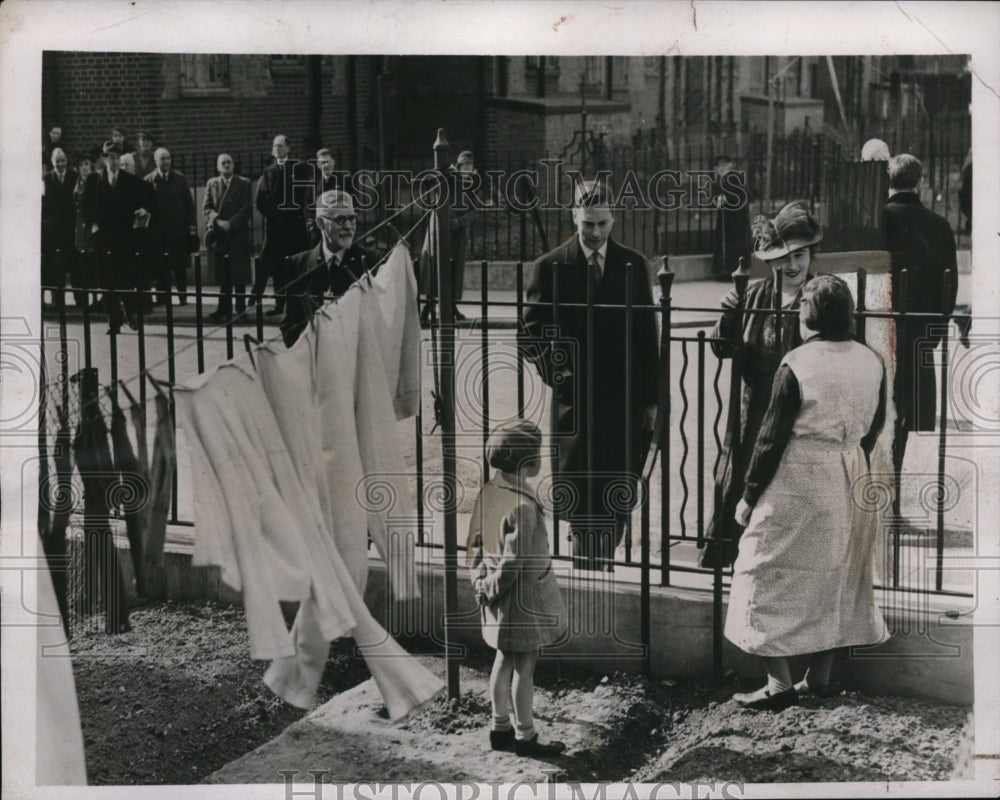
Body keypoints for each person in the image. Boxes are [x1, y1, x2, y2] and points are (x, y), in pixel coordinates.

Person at [725, 274, 890, 710]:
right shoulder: (872, 361)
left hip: (799, 476)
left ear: (808, 317)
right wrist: (850, 454)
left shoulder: (797, 363)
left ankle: (780, 683)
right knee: (840, 573)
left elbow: (770, 437)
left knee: (764, 569)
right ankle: (820, 676)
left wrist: (748, 495)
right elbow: (875, 425)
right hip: (853, 472)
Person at [520, 180, 659, 571]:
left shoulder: (634, 265)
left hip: (624, 403)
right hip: (576, 407)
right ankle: (588, 569)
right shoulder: (550, 267)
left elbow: (649, 338)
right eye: (587, 225)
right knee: (581, 493)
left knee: (617, 491)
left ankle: (600, 563)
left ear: (612, 218)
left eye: (601, 224)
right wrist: (559, 373)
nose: (595, 233)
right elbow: (528, 334)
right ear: (573, 218)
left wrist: (651, 400)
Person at [702, 200, 822, 569]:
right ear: (770, 261)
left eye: (800, 255)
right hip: (753, 412)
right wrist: (728, 314)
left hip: (799, 418)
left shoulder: (821, 296)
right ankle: (731, 566)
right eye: (784, 257)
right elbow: (724, 349)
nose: (793, 265)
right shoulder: (754, 295)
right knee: (739, 486)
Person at [467, 420, 567, 757]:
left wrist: (480, 583)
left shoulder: (488, 493)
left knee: (502, 660)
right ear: (525, 463)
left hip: (495, 598)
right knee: (525, 667)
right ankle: (526, 735)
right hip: (520, 601)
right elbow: (514, 562)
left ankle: (499, 728)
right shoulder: (522, 506)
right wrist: (492, 588)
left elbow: (475, 547)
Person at [883, 154, 958, 486]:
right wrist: (935, 333)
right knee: (907, 417)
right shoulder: (939, 225)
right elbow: (949, 284)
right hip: (920, 335)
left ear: (889, 181)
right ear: (920, 181)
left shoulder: (878, 221)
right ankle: (896, 486)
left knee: (879, 413)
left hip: (881, 330)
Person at [280, 190, 379, 347]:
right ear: (320, 223)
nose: (348, 226)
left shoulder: (374, 262)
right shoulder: (298, 264)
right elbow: (290, 327)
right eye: (340, 219)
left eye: (352, 218)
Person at [82, 141, 153, 334]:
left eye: (116, 157)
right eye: (110, 157)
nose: (113, 161)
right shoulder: (94, 180)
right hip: (102, 237)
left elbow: (148, 195)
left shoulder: (130, 180)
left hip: (124, 237)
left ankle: (132, 314)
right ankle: (113, 321)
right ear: (104, 159)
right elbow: (83, 206)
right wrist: (93, 225)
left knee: (126, 277)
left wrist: (143, 210)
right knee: (105, 279)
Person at [420, 149, 481, 323]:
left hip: (458, 234)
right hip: (440, 229)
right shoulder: (449, 178)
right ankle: (428, 307)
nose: (468, 169)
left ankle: (451, 306)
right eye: (465, 165)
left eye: (470, 165)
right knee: (435, 267)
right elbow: (431, 188)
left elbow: (475, 210)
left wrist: (460, 222)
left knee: (454, 270)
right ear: (459, 165)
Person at [254, 134, 310, 316]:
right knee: (277, 267)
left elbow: (301, 196)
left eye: (280, 146)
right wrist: (275, 213)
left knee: (294, 265)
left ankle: (296, 304)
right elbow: (262, 199)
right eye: (275, 146)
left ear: (288, 148)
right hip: (276, 227)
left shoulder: (299, 168)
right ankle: (279, 304)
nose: (277, 149)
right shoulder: (268, 171)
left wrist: (289, 211)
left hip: (294, 226)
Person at [203, 153, 253, 322]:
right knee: (223, 276)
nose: (226, 165)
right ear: (218, 167)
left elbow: (246, 209)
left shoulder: (244, 183)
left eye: (229, 162)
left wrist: (230, 224)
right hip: (220, 236)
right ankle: (222, 309)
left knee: (238, 276)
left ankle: (240, 310)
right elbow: (207, 207)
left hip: (237, 234)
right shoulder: (212, 184)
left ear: (233, 165)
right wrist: (217, 220)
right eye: (222, 163)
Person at [145, 147, 197, 305]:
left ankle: (182, 297)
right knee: (161, 266)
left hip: (178, 230)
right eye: (162, 158)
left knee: (180, 265)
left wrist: (192, 227)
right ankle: (163, 297)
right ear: (156, 161)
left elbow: (189, 205)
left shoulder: (180, 179)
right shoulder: (149, 180)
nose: (166, 161)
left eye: (168, 158)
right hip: (159, 232)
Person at [41, 147, 80, 308]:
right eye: (57, 161)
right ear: (52, 162)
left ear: (66, 161)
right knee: (55, 267)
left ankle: (80, 300)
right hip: (54, 231)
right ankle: (58, 301)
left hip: (70, 229)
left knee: (75, 265)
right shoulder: (47, 179)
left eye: (63, 160)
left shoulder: (74, 177)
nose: (60, 164)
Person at [710, 154, 752, 282]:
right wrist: (717, 200)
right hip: (724, 218)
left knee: (736, 244)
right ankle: (723, 271)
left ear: (730, 165)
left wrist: (728, 199)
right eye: (718, 166)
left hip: (737, 218)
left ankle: (736, 270)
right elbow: (714, 198)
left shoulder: (735, 178)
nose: (721, 168)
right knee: (723, 244)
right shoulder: (717, 181)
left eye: (723, 165)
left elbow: (744, 195)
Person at [73, 153, 101, 310]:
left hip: (91, 226)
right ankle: (85, 298)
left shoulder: (95, 181)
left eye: (87, 164)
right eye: (82, 165)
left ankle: (96, 298)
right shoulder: (77, 183)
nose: (84, 168)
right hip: (80, 227)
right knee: (83, 264)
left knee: (93, 263)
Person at [305, 147, 347, 245]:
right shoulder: (314, 183)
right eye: (322, 163)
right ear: (318, 165)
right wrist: (311, 224)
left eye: (328, 162)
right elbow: (308, 206)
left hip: (339, 229)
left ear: (333, 162)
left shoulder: (343, 181)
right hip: (319, 230)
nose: (326, 166)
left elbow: (352, 203)